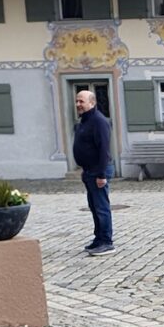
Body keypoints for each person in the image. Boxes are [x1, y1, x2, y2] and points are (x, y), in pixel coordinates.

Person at [73, 90, 115, 256]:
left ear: (92, 102)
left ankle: (106, 241)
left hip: (98, 170)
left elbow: (104, 149)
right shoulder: (84, 121)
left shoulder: (98, 121)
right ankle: (98, 238)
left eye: (81, 101)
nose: (78, 105)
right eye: (77, 101)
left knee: (101, 207)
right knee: (94, 206)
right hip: (89, 170)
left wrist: (101, 175)